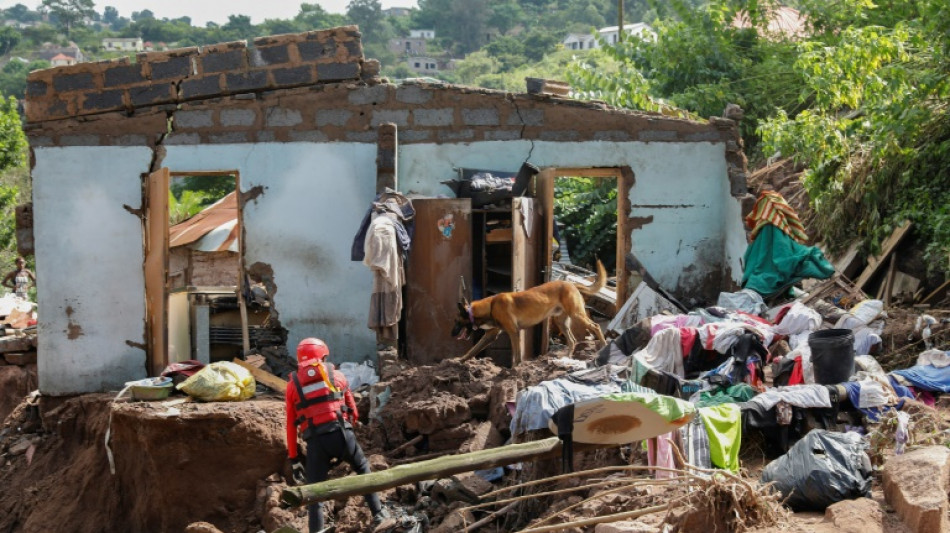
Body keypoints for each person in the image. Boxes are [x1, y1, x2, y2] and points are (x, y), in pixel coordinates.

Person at [285, 338, 390, 532]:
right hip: (342, 435)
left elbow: (291, 426)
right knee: (362, 470)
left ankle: (316, 530)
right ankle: (379, 514)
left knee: (314, 492)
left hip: (316, 443)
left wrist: (294, 459)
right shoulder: (338, 376)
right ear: (322, 355)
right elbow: (353, 411)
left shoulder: (292, 386)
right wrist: (348, 429)